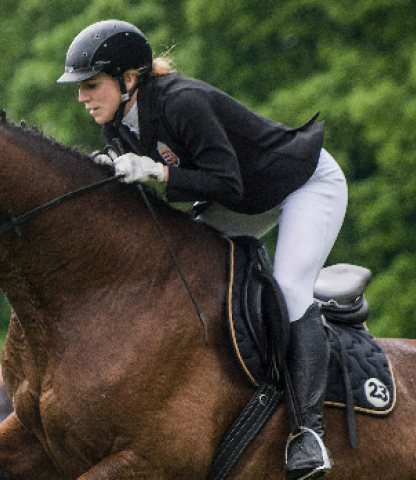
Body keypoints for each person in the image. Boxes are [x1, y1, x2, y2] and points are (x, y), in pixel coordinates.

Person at [58, 20, 347, 480]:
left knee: (291, 288)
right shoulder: (116, 123)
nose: (82, 97)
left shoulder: (182, 101)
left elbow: (225, 181)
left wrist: (157, 173)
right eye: (81, 88)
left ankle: (308, 433)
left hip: (302, 183)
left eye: (91, 85)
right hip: (244, 199)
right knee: (186, 269)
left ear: (129, 79)